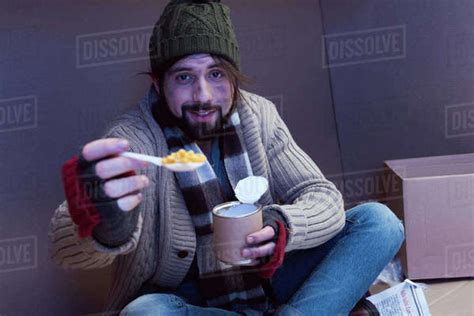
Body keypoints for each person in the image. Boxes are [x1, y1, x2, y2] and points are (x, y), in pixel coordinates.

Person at [48, 1, 405, 315]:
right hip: (186, 303)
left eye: (216, 74)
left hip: (271, 287)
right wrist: (106, 226)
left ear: (233, 79)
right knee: (146, 312)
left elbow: (322, 196)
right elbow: (65, 251)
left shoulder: (258, 116)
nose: (203, 95)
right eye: (184, 77)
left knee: (380, 222)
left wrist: (282, 226)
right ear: (158, 84)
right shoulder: (133, 138)